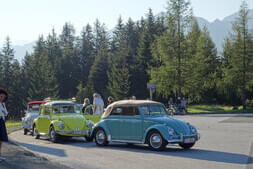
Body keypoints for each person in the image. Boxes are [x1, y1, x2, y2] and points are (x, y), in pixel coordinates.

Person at [0, 89, 9, 162]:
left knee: (1, 140)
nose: (2, 98)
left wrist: (3, 110)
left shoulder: (3, 104)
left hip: (1, 121)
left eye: (4, 97)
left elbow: (6, 113)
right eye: (1, 96)